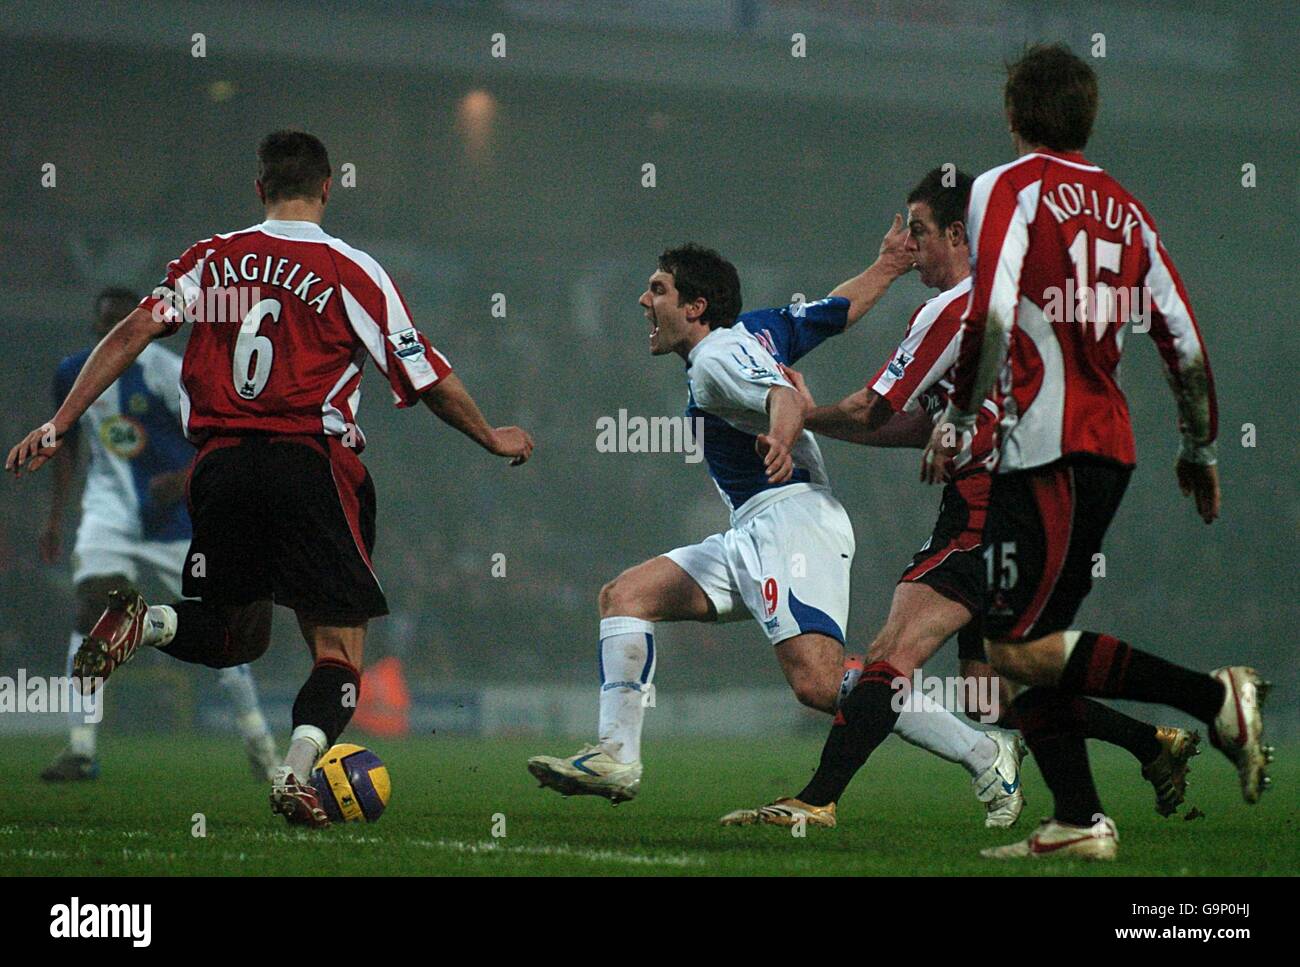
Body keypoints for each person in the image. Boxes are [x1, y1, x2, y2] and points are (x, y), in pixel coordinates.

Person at [7, 130, 534, 827]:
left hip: (221, 466)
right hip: (307, 460)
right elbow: (423, 374)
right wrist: (490, 434)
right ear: (327, 187)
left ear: (259, 189)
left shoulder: (211, 259)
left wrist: (59, 423)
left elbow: (134, 331)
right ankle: (293, 773)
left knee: (237, 636)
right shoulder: (353, 270)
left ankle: (151, 620)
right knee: (339, 650)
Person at [723, 167, 1198, 831]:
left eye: (919, 231)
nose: (911, 246)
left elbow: (871, 406)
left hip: (981, 511)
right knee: (992, 687)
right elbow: (917, 423)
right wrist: (823, 417)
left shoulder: (955, 308)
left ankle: (816, 798)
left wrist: (807, 413)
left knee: (891, 651)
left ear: (956, 232)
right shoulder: (1011, 301)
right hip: (1033, 507)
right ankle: (1154, 744)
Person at [528, 238, 1025, 827]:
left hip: (792, 523)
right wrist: (888, 265)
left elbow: (783, 396)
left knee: (818, 682)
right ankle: (615, 756)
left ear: (696, 307)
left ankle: (983, 750)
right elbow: (836, 312)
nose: (643, 300)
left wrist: (783, 439)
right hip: (753, 527)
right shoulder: (760, 331)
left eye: (657, 289)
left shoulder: (715, 359)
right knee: (625, 596)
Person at [914, 44, 1267, 859]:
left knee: (1015, 645)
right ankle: (1076, 817)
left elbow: (992, 308)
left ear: (1012, 114)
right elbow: (1180, 336)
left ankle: (1214, 699)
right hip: (1109, 448)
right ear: (1088, 116)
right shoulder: (1128, 209)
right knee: (1027, 644)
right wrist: (1200, 448)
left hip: (1042, 447)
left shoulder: (1004, 186)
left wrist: (957, 418)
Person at [39, 286, 277, 782]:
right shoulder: (72, 373)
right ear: (96, 327)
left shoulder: (168, 372)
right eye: (105, 324)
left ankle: (261, 746)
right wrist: (56, 517)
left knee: (223, 628)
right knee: (89, 611)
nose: (113, 332)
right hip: (111, 512)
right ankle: (81, 747)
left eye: (122, 324)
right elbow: (67, 446)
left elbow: (215, 437)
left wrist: (186, 479)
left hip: (178, 520)